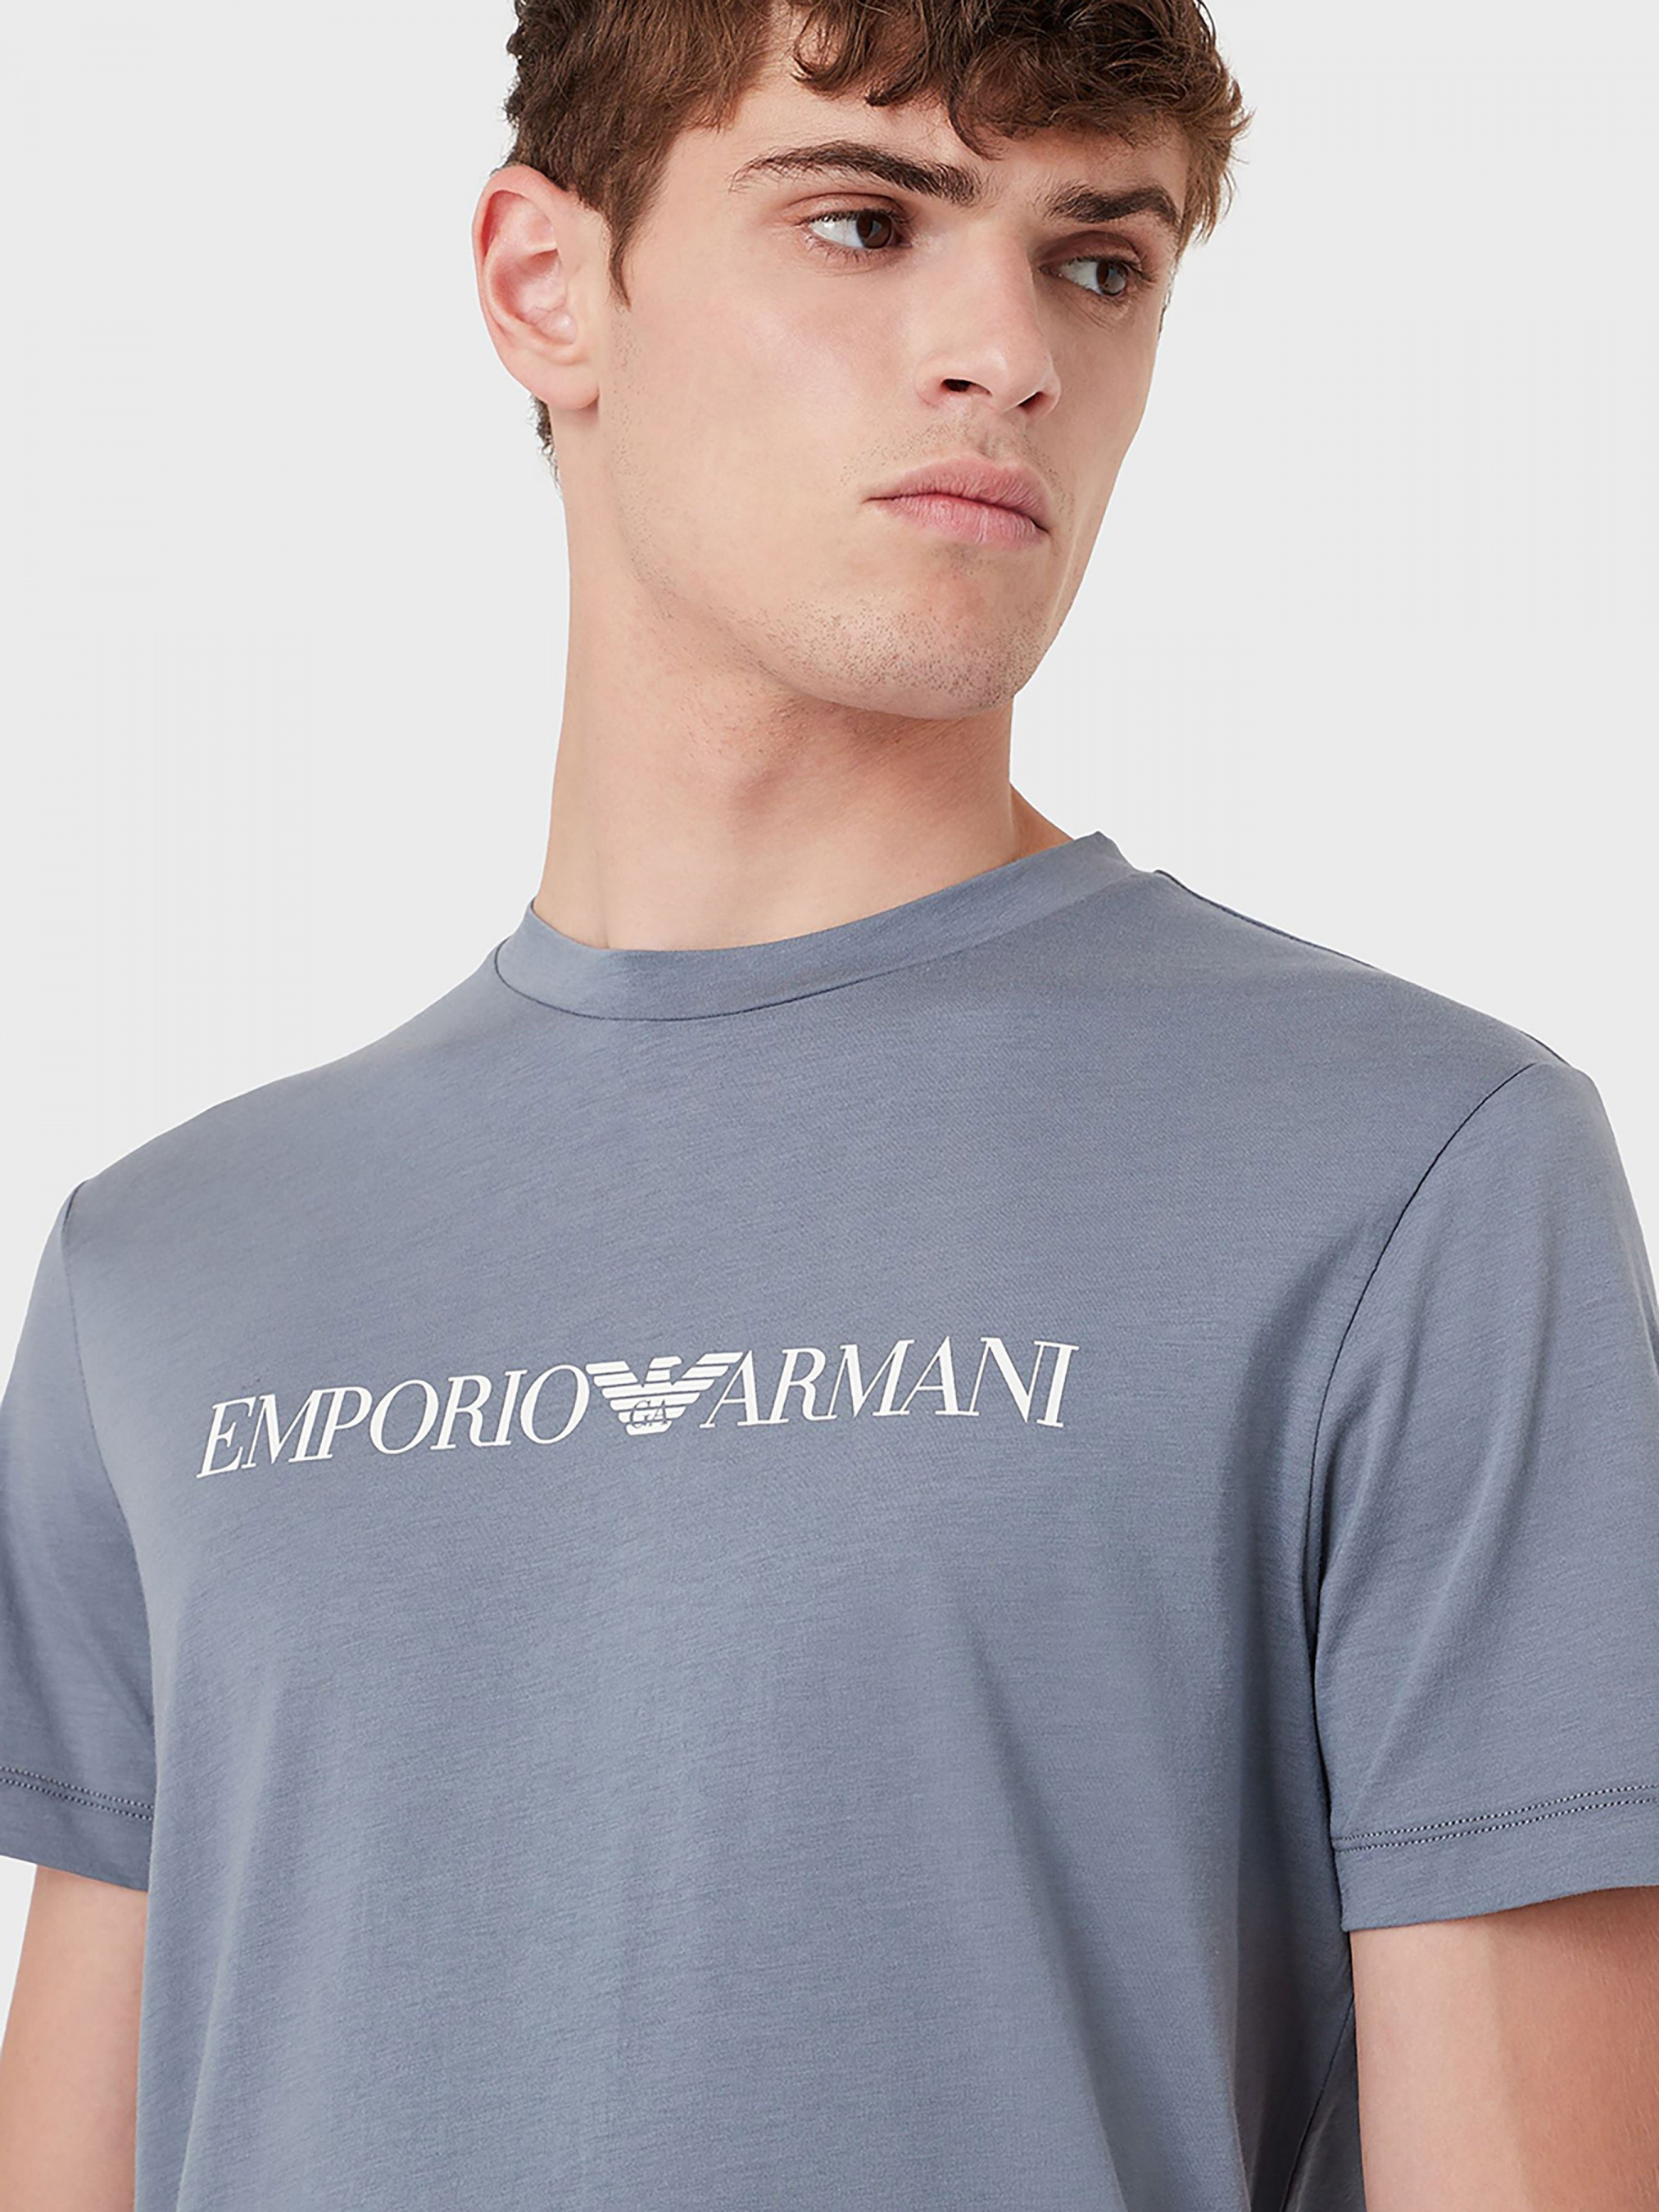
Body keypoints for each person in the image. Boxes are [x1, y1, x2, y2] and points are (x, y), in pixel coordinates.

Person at [2, 1, 1657, 2205]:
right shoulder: (163, 1264)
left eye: (1097, 261)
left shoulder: (1416, 1177)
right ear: (545, 284)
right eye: (866, 222)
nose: (1009, 355)